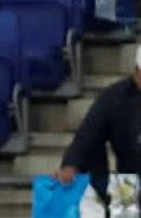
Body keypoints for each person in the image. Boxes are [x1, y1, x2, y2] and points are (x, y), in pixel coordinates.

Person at [56, 45, 141, 187]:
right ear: (137, 72)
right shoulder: (115, 98)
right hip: (129, 182)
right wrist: (71, 165)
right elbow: (89, 134)